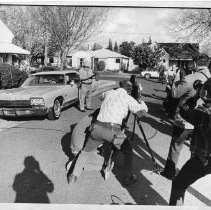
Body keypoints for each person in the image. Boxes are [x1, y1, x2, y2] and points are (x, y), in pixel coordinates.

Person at [67, 80, 148, 185]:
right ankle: (128, 176)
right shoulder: (128, 98)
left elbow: (101, 97)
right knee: (127, 150)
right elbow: (141, 113)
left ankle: (73, 176)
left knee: (85, 152)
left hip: (97, 128)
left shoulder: (109, 93)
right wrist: (141, 102)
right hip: (114, 131)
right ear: (129, 90)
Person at [161, 53, 211, 180]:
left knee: (176, 146)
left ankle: (169, 172)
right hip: (204, 119)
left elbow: (175, 93)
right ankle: (192, 173)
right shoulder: (210, 77)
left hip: (185, 119)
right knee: (197, 147)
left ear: (195, 63)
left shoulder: (190, 78)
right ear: (207, 63)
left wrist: (177, 78)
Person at [169, 82, 211, 205]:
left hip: (203, 160)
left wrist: (195, 96)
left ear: (206, 92)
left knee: (179, 184)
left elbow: (183, 109)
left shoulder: (201, 114)